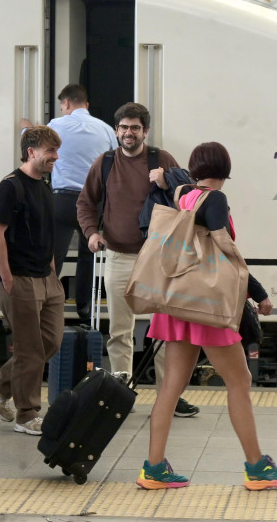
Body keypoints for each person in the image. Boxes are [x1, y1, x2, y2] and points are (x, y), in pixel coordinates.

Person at [138, 141, 277, 491]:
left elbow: (175, 184)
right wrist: (259, 293)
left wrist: (166, 177)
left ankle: (153, 468)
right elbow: (226, 252)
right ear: (225, 170)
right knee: (239, 381)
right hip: (205, 307)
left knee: (170, 385)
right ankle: (257, 467)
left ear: (195, 169)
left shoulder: (183, 193)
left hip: (177, 301)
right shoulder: (216, 200)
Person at [76, 102, 199, 417]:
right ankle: (121, 391)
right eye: (123, 128)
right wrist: (91, 233)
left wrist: (166, 180)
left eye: (134, 128)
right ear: (117, 131)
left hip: (158, 258)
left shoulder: (161, 160)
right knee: (119, 330)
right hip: (117, 256)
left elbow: (191, 196)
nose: (128, 133)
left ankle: (167, 397)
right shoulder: (104, 163)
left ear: (145, 131)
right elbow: (85, 203)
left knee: (163, 332)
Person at [0, 127, 65, 435]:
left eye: (56, 150)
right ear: (31, 152)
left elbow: (45, 231)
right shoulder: (10, 187)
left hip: (46, 277)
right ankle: (27, 414)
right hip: (19, 278)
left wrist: (53, 268)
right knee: (29, 349)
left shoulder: (43, 185)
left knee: (51, 341)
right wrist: (6, 278)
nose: (55, 156)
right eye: (50, 151)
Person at [21, 84, 116, 323]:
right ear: (87, 105)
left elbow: (32, 141)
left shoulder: (56, 125)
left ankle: (48, 302)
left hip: (62, 200)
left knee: (54, 254)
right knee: (88, 254)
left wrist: (25, 129)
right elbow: (116, 162)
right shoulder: (105, 130)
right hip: (93, 201)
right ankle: (85, 308)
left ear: (65, 104)